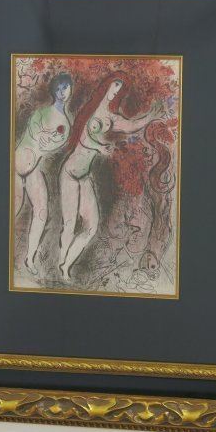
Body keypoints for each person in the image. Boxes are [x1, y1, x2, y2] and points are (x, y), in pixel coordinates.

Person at [58, 71, 162, 280]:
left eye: (119, 89)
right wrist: (99, 147)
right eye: (114, 86)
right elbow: (84, 139)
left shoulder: (110, 118)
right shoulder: (91, 110)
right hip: (70, 173)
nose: (115, 92)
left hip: (84, 177)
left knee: (91, 226)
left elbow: (131, 126)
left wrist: (150, 116)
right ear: (106, 85)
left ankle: (65, 265)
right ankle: (61, 263)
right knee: (69, 224)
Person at [15, 72, 73, 274]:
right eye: (58, 88)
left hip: (34, 168)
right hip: (18, 165)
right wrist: (44, 136)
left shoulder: (66, 125)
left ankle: (29, 259)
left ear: (70, 89)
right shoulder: (42, 112)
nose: (61, 92)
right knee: (12, 209)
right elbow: (33, 133)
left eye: (65, 88)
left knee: (41, 211)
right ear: (53, 91)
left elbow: (53, 146)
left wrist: (47, 140)